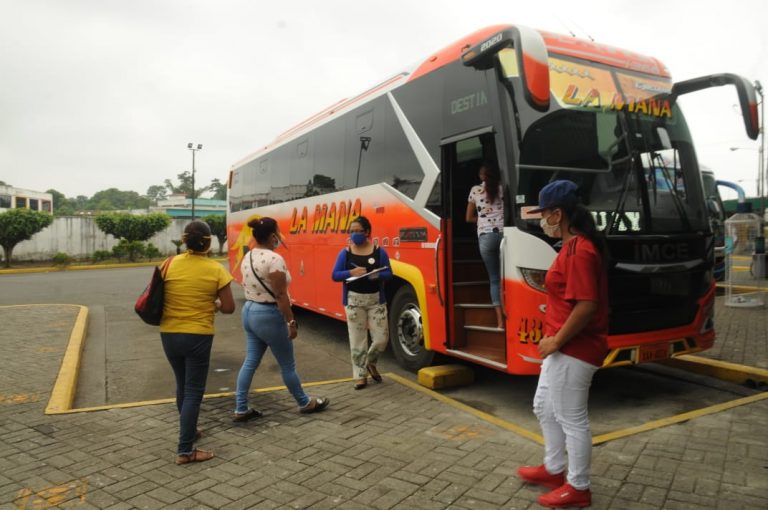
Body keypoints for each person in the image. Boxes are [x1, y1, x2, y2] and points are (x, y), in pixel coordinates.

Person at [516, 180, 609, 508]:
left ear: (558, 214)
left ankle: (579, 487)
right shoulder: (569, 247)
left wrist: (557, 339)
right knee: (544, 407)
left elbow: (587, 305)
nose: (542, 220)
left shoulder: (580, 250)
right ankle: (554, 469)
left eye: (545, 214)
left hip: (574, 349)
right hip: (561, 346)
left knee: (572, 418)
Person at [234, 217, 329, 421]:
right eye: (277, 233)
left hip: (249, 312)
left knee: (250, 361)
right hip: (268, 315)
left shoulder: (248, 255)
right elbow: (280, 295)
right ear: (272, 236)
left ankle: (240, 407)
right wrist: (291, 322)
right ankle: (305, 402)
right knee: (287, 365)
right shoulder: (274, 259)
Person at [160, 220, 235, 465]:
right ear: (209, 242)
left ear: (184, 241)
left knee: (182, 385)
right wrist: (212, 304)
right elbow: (229, 308)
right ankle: (185, 450)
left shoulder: (168, 264)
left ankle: (190, 432)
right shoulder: (216, 270)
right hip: (198, 336)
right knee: (193, 391)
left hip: (169, 333)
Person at [331, 216, 393, 390]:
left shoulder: (379, 252)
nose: (355, 234)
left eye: (358, 231)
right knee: (358, 341)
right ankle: (359, 376)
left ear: (367, 232)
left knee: (382, 339)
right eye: (352, 231)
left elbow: (389, 273)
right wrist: (351, 272)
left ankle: (370, 362)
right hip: (353, 302)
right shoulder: (345, 253)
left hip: (376, 301)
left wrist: (377, 275)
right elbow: (335, 275)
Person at [465, 161, 505, 328]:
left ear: (481, 176)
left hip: (486, 237)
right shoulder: (503, 189)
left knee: (494, 279)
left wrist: (481, 220)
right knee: (508, 278)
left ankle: (500, 322)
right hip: (505, 235)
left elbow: (468, 218)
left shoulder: (475, 191)